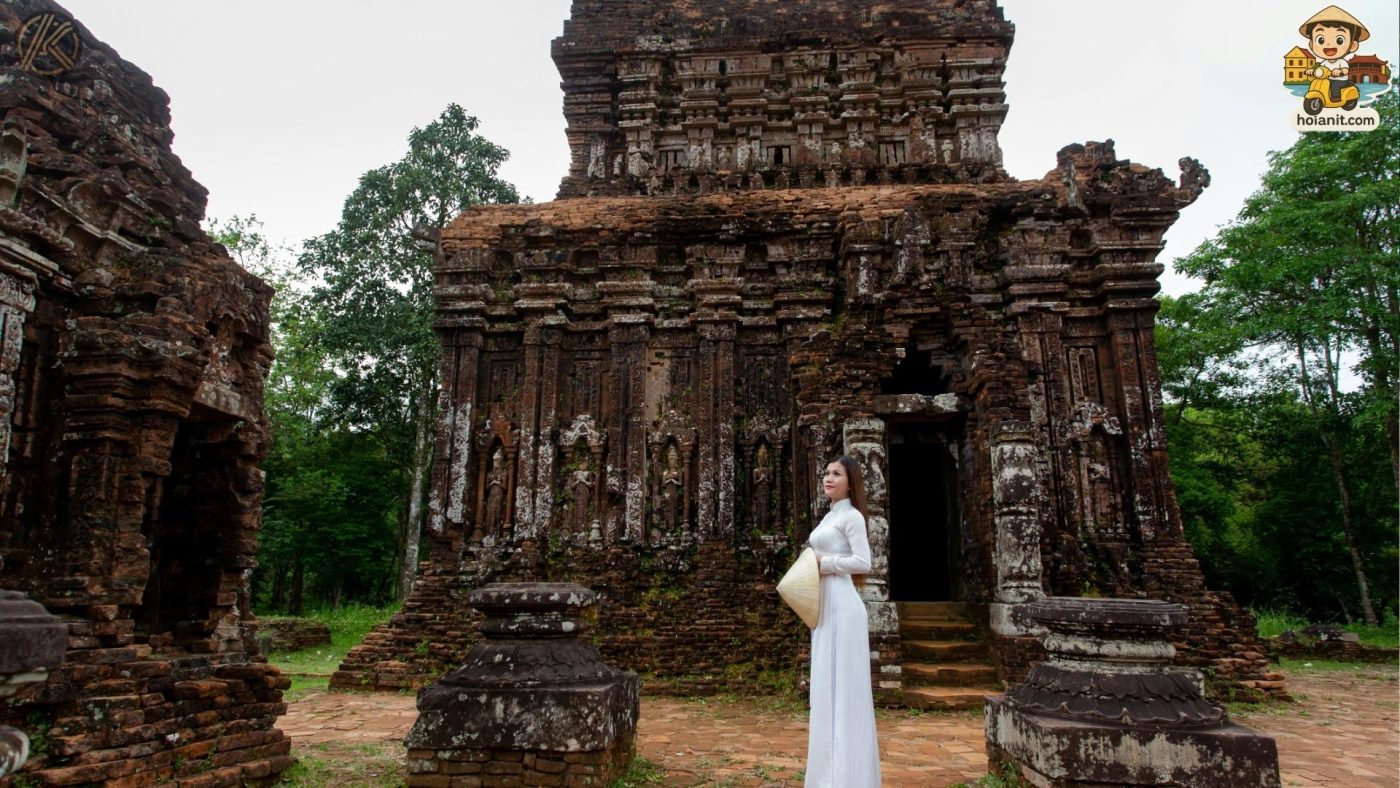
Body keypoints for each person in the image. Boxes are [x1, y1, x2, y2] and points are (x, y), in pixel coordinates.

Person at [805, 455, 882, 788]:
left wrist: (825, 562)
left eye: (836, 474)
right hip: (825, 606)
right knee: (825, 688)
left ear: (851, 481)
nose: (828, 478)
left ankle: (850, 777)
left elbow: (864, 562)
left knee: (844, 691)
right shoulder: (828, 517)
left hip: (843, 607)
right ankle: (827, 776)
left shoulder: (851, 516)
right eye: (826, 473)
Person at [1300, 6, 1370, 103]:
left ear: (1353, 45)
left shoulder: (1341, 62)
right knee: (1318, 83)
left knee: (1334, 86)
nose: (1329, 44)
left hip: (1340, 80)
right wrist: (1312, 71)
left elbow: (1346, 70)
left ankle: (1336, 99)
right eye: (1321, 40)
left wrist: (1340, 71)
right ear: (1312, 44)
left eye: (1339, 40)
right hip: (1327, 80)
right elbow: (1319, 69)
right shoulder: (1324, 62)